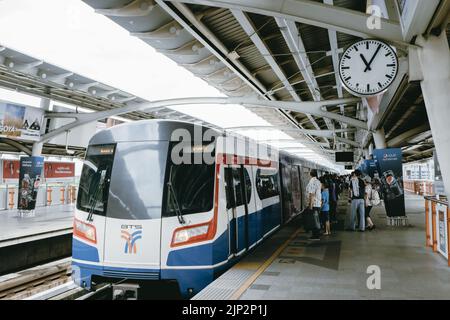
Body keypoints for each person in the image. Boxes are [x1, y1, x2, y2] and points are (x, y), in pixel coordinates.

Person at [306, 169, 322, 240]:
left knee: (314, 220)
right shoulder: (318, 181)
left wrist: (310, 205)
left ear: (310, 174)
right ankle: (317, 234)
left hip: (314, 204)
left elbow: (312, 194)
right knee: (317, 219)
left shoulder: (312, 181)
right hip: (317, 203)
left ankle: (315, 236)